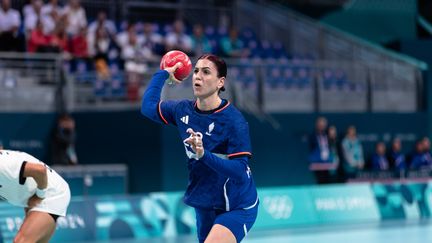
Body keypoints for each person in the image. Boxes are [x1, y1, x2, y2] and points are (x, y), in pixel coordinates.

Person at [141, 54, 258, 243]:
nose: (198, 76)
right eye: (196, 71)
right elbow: (148, 108)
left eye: (206, 72)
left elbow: (240, 172)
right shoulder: (182, 110)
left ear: (220, 82)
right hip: (204, 200)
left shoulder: (234, 121)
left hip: (237, 204)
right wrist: (162, 74)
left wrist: (203, 155)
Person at [0, 149, 71, 242]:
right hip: (33, 197)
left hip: (51, 194)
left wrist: (39, 195)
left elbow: (40, 170)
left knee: (21, 241)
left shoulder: (3, 165)